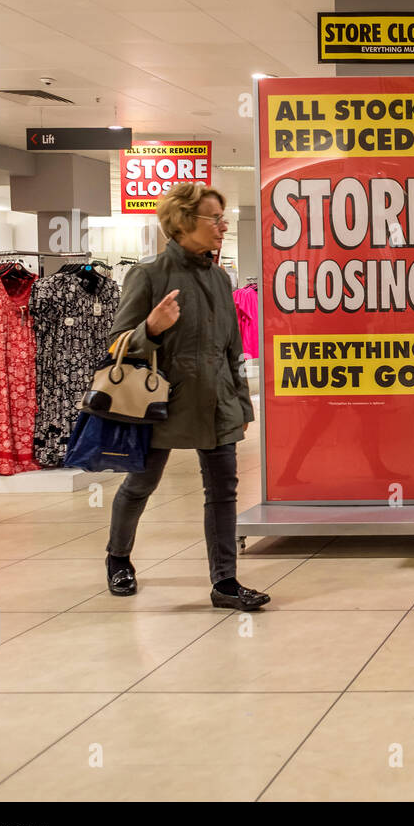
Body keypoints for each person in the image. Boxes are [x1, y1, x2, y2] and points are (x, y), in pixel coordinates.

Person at [103, 183, 269, 611]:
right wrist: (152, 328)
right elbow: (116, 344)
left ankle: (225, 583)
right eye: (214, 218)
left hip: (217, 403)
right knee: (141, 483)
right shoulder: (148, 275)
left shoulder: (220, 277)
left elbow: (233, 346)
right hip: (159, 405)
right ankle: (118, 558)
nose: (222, 226)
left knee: (223, 491)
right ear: (182, 223)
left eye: (222, 218)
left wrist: (242, 405)